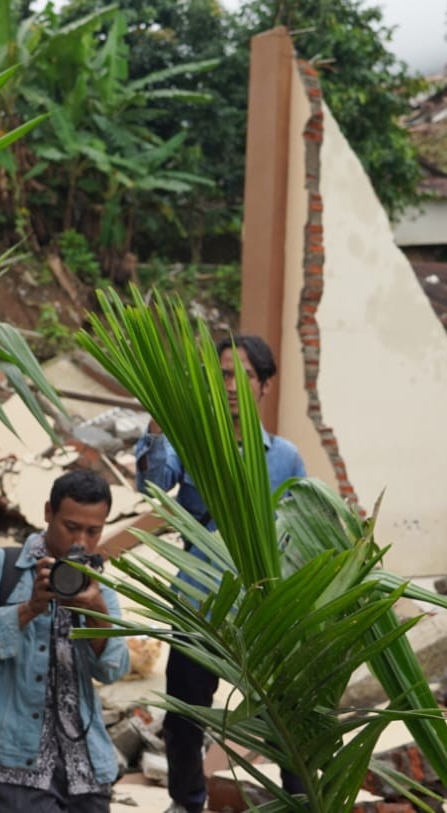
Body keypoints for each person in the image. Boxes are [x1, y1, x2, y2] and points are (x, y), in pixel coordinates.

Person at [134, 334, 307, 813]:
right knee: (185, 717)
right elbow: (153, 486)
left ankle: (299, 801)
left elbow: (304, 529)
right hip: (201, 604)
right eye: (223, 374)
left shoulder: (286, 457)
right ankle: (187, 802)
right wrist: (158, 420)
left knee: (285, 717)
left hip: (266, 610)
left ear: (265, 385)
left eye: (243, 376)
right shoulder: (189, 446)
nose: (230, 385)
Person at [0, 469, 129, 813]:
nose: (81, 542)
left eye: (93, 531)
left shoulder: (98, 586)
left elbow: (113, 669)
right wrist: (28, 609)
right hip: (10, 764)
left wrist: (97, 611)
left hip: (85, 768)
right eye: (71, 527)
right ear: (48, 512)